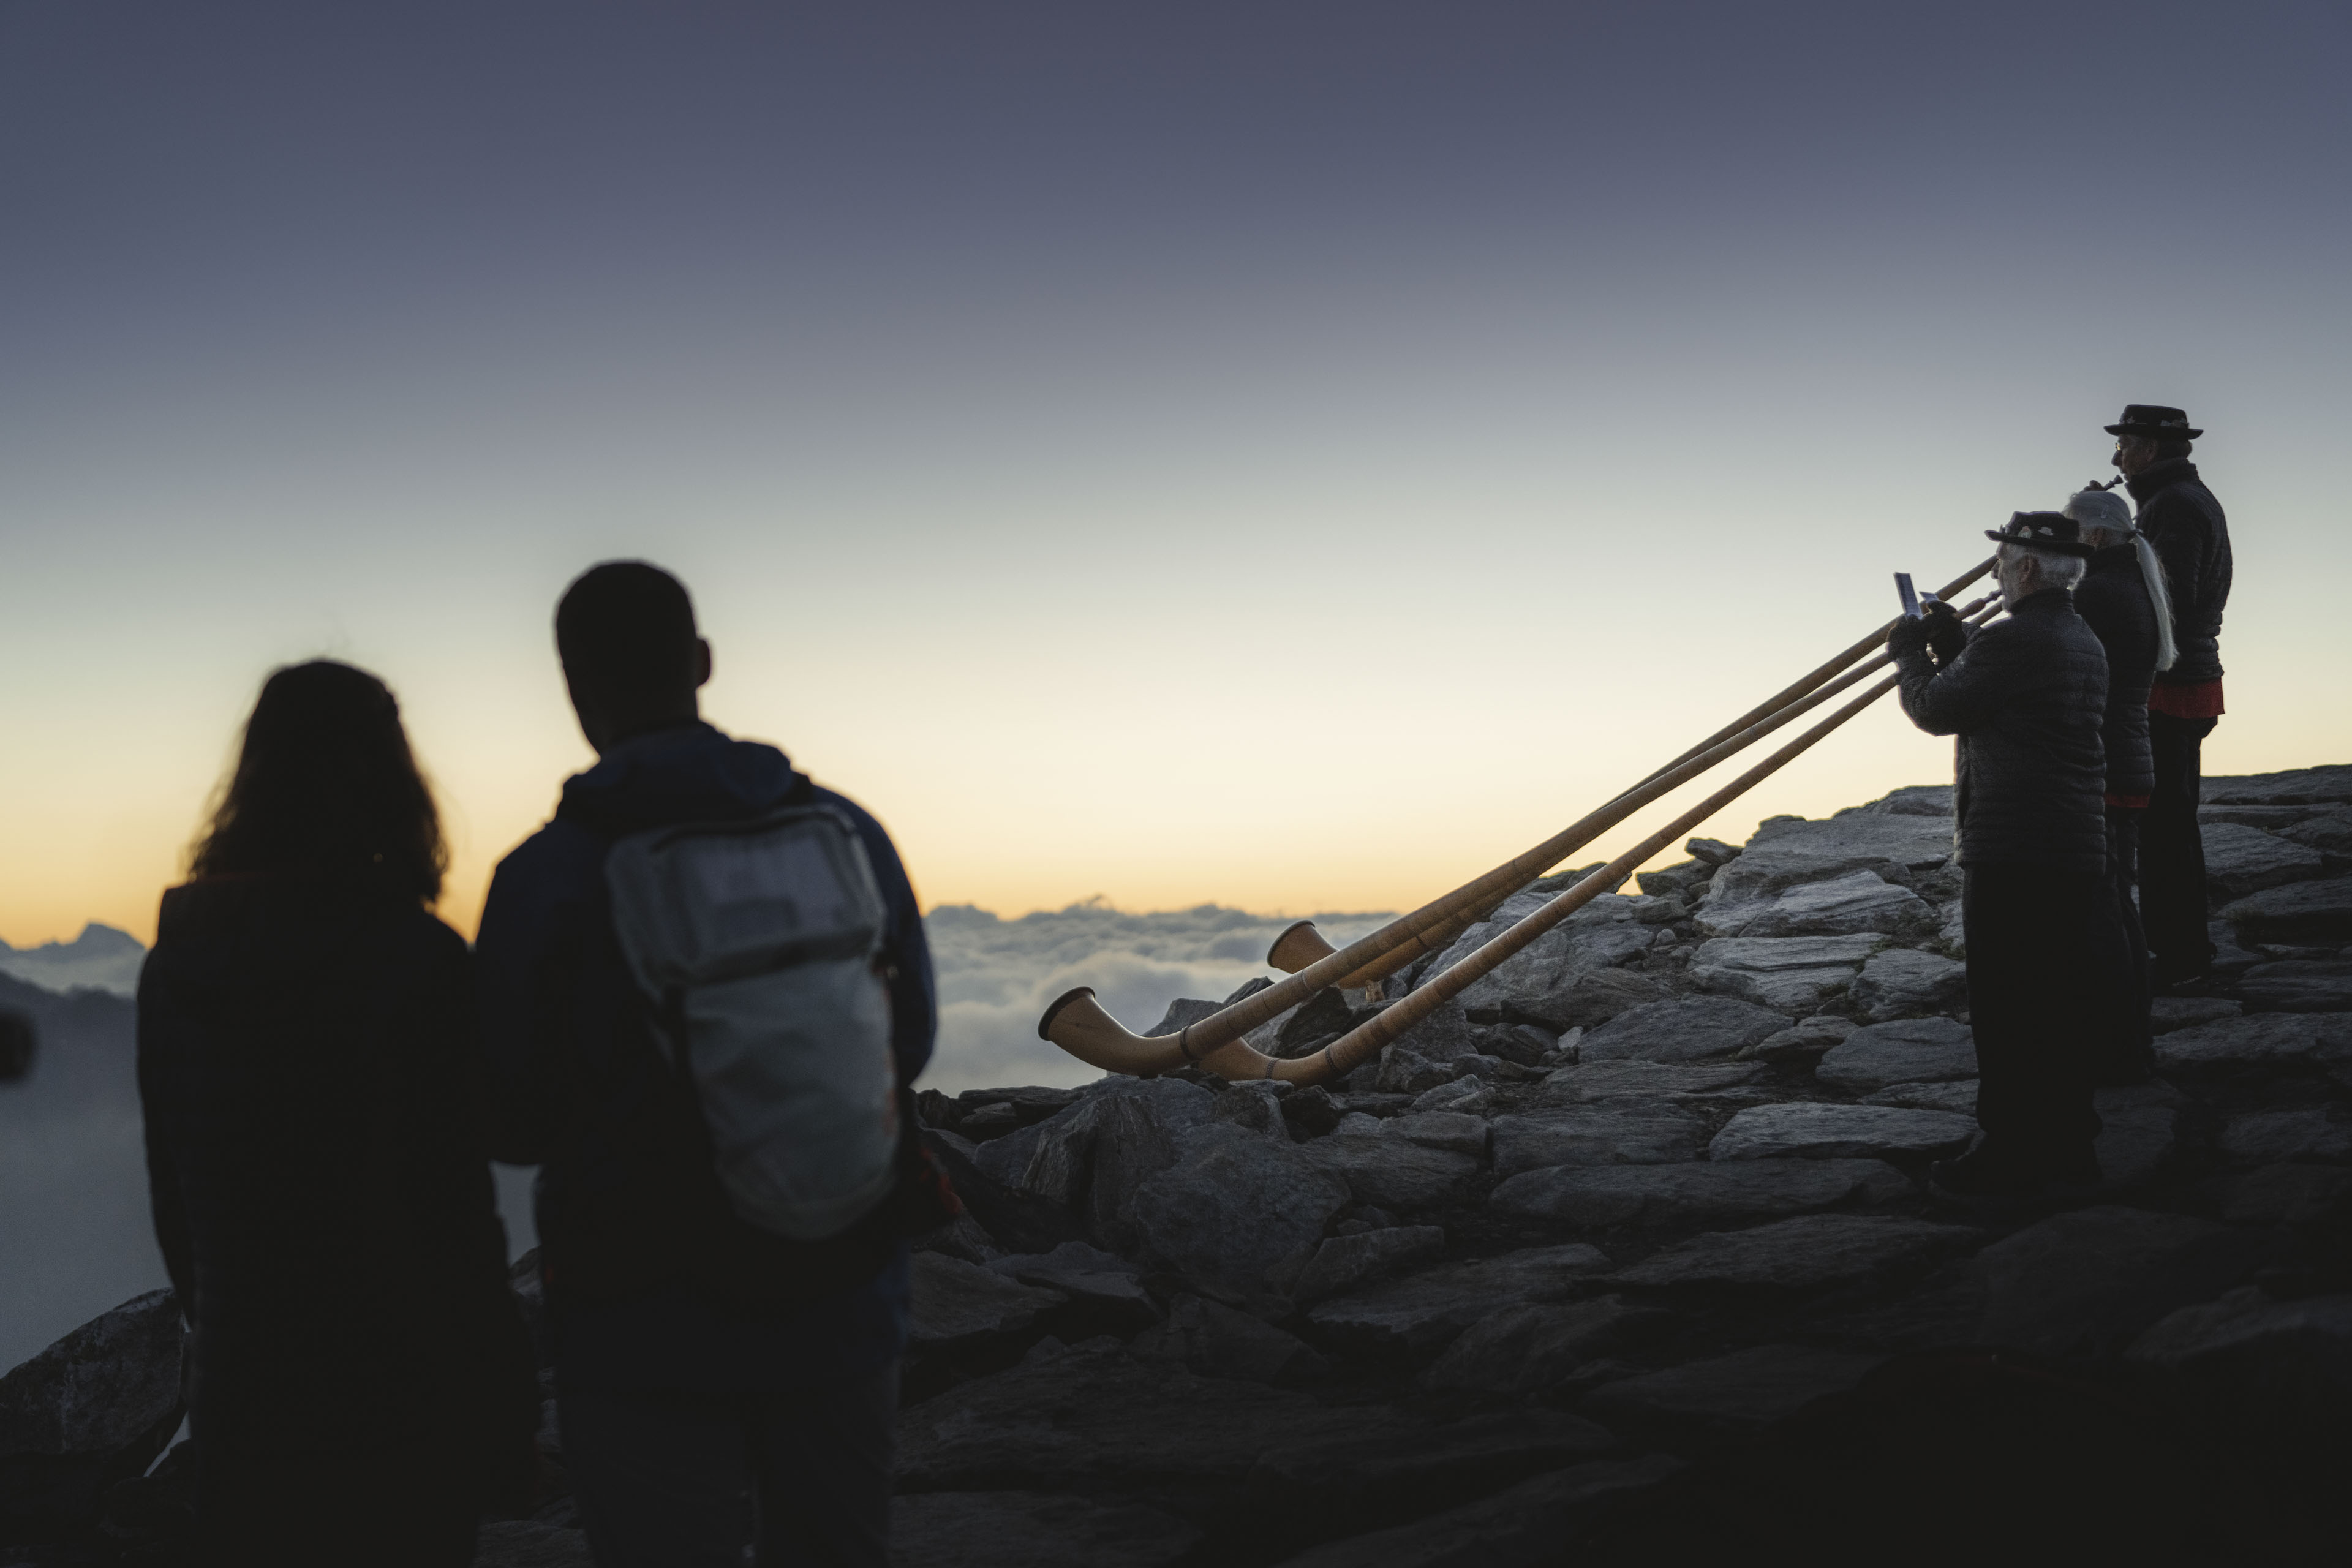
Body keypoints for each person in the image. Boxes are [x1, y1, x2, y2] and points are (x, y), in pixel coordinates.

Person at [474, 562, 938, 1568]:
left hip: (640, 1324)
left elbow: (507, 1120)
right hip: (842, 1291)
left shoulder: (546, 878)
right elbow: (909, 1044)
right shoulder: (846, 834)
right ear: (702, 663)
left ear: (572, 684)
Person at [137, 661, 538, 1567]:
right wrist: (504, 1410)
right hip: (402, 1397)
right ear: (395, 786)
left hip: (243, 1400)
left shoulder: (175, 970)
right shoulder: (415, 959)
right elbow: (453, 1217)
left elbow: (177, 1212)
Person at [1889, 514, 2109, 1198]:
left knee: (2009, 1006)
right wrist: (1958, 641)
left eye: (2003, 561)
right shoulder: (2077, 635)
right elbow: (2002, 691)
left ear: (2028, 570)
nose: (1994, 573)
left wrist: (1907, 652)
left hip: (2014, 843)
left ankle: (2010, 1153)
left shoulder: (2018, 639)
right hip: (2069, 840)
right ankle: (2069, 1147)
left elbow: (1935, 708)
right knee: (2057, 1002)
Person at [2103, 404, 2231, 991]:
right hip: (2183, 677)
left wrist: (2101, 562)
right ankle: (2182, 949)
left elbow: (2166, 602)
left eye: (2125, 446)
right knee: (2170, 825)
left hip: (2169, 683)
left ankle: (2180, 955)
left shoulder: (2172, 506)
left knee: (2164, 828)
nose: (2117, 459)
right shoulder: (2172, 501)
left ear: (2151, 449)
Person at [2062, 485, 2176, 1083]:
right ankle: (2131, 1040)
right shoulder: (2131, 584)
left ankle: (2118, 1048)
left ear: (2096, 535)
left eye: (2070, 529)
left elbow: (2062, 664)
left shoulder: (2102, 593)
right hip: (2129, 759)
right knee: (2117, 905)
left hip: (2103, 765)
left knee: (2101, 909)